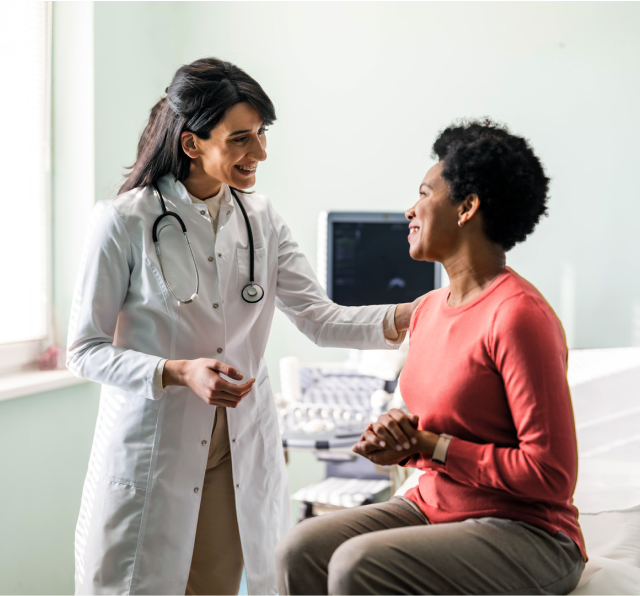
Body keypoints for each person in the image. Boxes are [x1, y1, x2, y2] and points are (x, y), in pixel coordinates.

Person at [67, 57, 422, 596]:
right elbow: (84, 350)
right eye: (240, 139)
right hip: (155, 447)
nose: (259, 153)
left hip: (235, 448)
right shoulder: (123, 221)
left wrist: (418, 313)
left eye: (261, 135)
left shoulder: (262, 219)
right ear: (192, 144)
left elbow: (321, 320)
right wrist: (178, 371)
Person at [275, 119, 586, 596]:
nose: (410, 210)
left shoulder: (519, 316)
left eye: (424, 193)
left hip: (527, 530)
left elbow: (551, 475)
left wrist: (430, 445)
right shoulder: (428, 311)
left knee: (357, 565)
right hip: (434, 506)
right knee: (299, 550)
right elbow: (439, 422)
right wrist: (399, 437)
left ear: (467, 208)